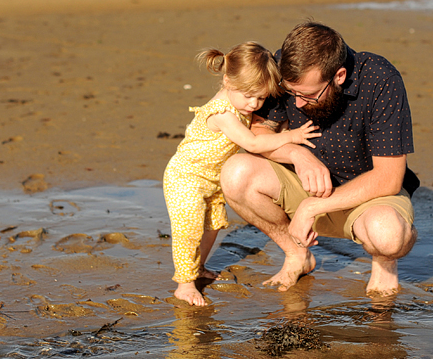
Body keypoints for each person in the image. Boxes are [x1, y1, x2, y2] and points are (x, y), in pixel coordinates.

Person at [220, 22, 419, 296]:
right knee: (235, 173)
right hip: (303, 185)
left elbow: (389, 177)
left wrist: (312, 207)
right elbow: (257, 133)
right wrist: (296, 153)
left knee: (387, 236)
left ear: (338, 76)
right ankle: (296, 254)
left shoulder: (380, 80)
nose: (298, 104)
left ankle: (384, 263)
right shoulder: (284, 68)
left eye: (309, 95)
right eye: (293, 94)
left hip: (369, 196)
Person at [163, 41, 320, 306]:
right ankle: (184, 284)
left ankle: (197, 267)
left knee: (212, 227)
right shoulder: (222, 112)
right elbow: (253, 144)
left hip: (211, 179)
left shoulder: (242, 104)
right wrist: (292, 136)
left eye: (261, 97)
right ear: (227, 81)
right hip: (186, 177)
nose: (254, 103)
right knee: (188, 229)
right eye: (248, 95)